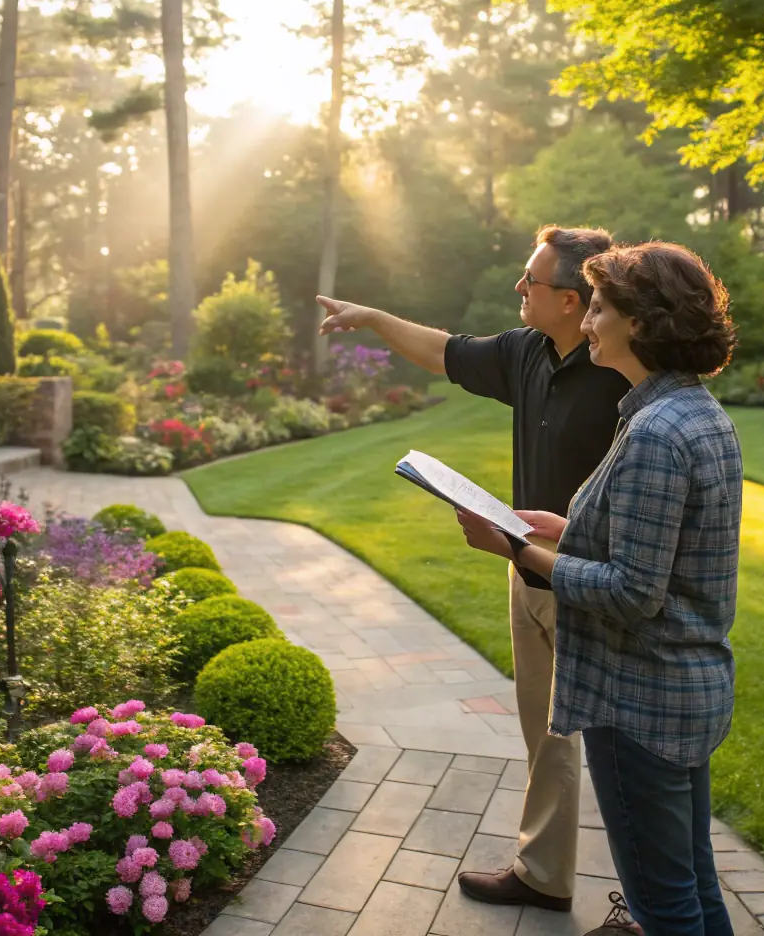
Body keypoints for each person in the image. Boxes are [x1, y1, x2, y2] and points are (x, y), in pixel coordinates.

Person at [317, 225, 631, 913]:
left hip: (598, 589)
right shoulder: (527, 351)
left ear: (573, 299)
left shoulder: (623, 371)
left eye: (532, 281)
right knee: (543, 738)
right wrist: (369, 317)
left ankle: (647, 904)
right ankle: (543, 876)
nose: (518, 288)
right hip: (524, 574)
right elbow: (441, 349)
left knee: (622, 752)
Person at [455, 241, 742, 936]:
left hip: (639, 700)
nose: (587, 322)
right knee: (693, 885)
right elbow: (657, 552)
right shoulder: (689, 412)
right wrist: (567, 524)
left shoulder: (655, 432)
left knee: (663, 905)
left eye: (602, 309)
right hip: (684, 691)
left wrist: (520, 548)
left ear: (639, 323)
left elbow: (630, 592)